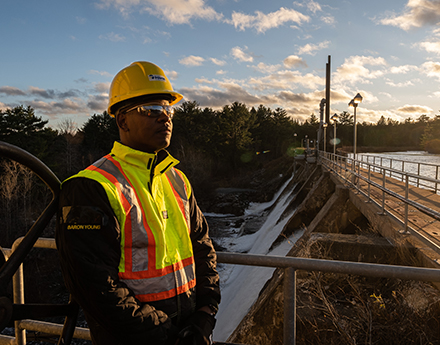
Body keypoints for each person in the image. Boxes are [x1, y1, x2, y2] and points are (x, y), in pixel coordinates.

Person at [56, 61, 220, 345]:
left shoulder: (177, 180)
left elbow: (203, 250)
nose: (165, 118)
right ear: (122, 121)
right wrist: (163, 333)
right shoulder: (91, 187)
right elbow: (93, 285)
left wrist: (205, 315)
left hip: (189, 333)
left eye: (168, 110)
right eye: (152, 110)